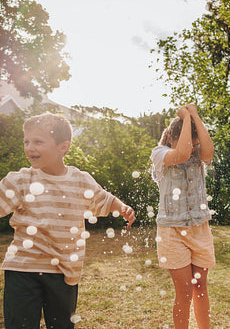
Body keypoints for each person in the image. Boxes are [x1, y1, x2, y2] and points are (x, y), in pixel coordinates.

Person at [0, 112, 136, 329]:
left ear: (63, 147)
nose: (30, 147)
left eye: (38, 141)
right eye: (27, 141)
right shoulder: (20, 180)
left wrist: (122, 208)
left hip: (63, 271)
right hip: (23, 268)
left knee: (62, 324)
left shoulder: (80, 181)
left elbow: (103, 199)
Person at [150, 103, 215, 329]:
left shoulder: (198, 151)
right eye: (190, 141)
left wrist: (195, 115)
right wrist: (186, 119)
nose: (193, 147)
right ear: (170, 138)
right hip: (172, 231)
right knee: (185, 291)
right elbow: (181, 153)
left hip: (199, 228)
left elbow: (208, 152)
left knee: (200, 287)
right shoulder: (159, 154)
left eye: (195, 143)